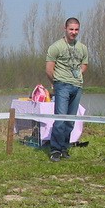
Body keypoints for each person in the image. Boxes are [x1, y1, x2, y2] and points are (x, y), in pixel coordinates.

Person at [45, 17, 89, 163]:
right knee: (60, 119)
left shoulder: (82, 47)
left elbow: (84, 64)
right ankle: (55, 150)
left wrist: (78, 73)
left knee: (70, 120)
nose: (74, 32)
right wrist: (56, 83)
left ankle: (64, 147)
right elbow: (49, 69)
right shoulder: (56, 47)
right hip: (62, 85)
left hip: (77, 87)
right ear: (65, 29)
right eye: (71, 29)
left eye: (76, 29)